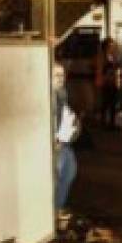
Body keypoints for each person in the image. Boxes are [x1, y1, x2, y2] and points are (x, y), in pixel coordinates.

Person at [53, 63, 78, 218]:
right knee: (58, 175)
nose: (61, 78)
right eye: (56, 75)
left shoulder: (61, 93)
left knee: (69, 171)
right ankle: (53, 210)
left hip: (64, 141)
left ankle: (57, 208)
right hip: (55, 143)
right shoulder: (48, 96)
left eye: (62, 74)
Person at [94, 37, 120, 129]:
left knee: (113, 103)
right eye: (110, 45)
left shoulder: (114, 56)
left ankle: (112, 123)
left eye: (113, 45)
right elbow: (98, 67)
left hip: (112, 82)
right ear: (105, 46)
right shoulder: (101, 55)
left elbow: (116, 67)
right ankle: (103, 122)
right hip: (104, 82)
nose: (112, 47)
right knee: (104, 103)